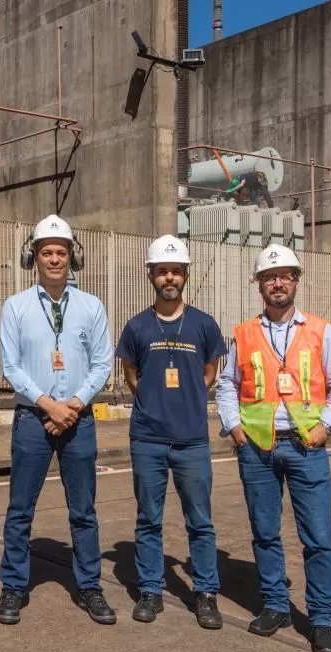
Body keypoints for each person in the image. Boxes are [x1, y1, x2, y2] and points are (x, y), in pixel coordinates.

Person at [215, 243, 331, 652]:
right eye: (270, 277)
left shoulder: (320, 330)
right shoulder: (242, 333)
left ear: (296, 281)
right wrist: (235, 429)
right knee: (265, 533)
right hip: (256, 449)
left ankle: (322, 619)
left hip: (305, 447)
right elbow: (226, 386)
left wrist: (325, 428)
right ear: (258, 283)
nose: (278, 283)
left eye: (286, 276)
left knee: (318, 538)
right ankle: (275, 605)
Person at [0, 214, 116, 626]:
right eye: (46, 252)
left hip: (78, 419)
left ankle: (90, 587)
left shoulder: (91, 306)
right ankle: (13, 586)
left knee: (83, 511)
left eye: (61, 252)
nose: (54, 259)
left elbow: (102, 365)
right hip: (34, 419)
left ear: (71, 257)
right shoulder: (16, 306)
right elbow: (10, 366)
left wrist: (74, 405)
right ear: (35, 256)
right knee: (20, 510)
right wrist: (49, 404)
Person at [114, 235, 226, 629]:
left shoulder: (204, 324)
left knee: (201, 521)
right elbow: (131, 374)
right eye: (162, 271)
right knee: (149, 518)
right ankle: (150, 589)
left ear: (185, 275)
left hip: (192, 439)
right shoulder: (137, 326)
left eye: (176, 271)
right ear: (151, 276)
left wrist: (188, 400)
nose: (169, 277)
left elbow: (210, 371)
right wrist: (155, 402)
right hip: (148, 439)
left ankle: (206, 593)